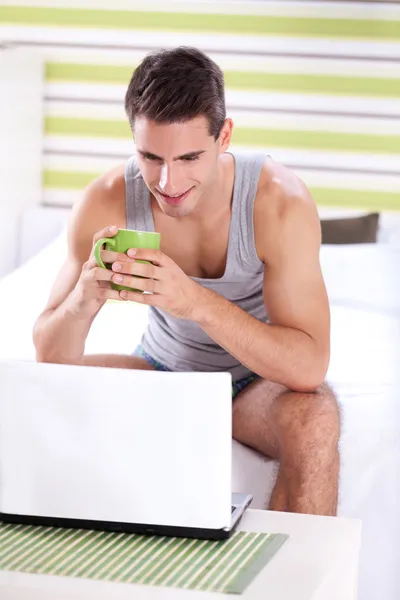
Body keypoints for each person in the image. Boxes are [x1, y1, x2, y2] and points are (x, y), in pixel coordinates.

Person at [33, 46, 340, 516]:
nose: (168, 181)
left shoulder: (280, 203)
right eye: (150, 157)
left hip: (256, 382)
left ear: (225, 136)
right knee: (25, 393)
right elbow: (50, 356)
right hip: (162, 370)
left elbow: (307, 367)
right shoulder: (105, 200)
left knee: (316, 419)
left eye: (190, 157)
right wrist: (83, 297)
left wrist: (193, 301)